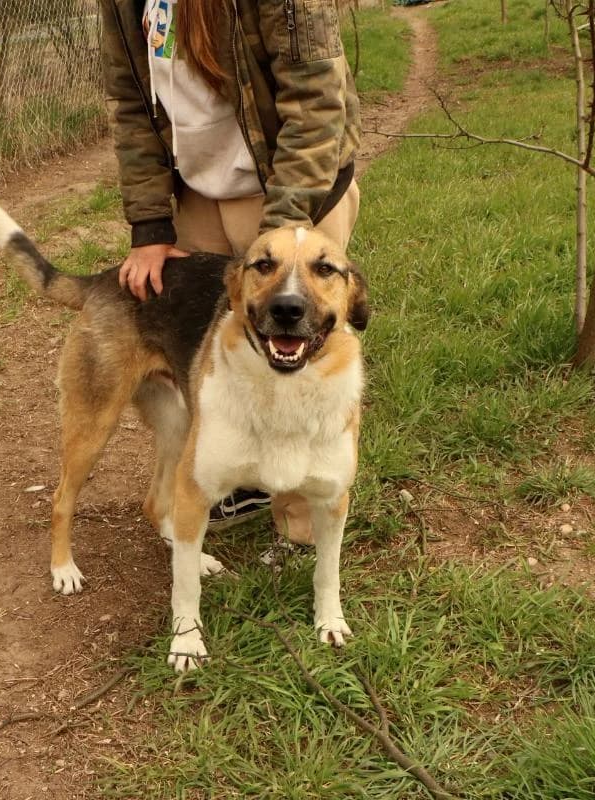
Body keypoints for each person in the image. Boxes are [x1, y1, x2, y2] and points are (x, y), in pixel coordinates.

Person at [100, 0, 361, 539]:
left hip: (291, 191)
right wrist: (150, 226)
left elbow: (315, 100)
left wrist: (281, 242)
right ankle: (237, 480)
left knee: (297, 347)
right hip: (201, 190)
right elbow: (131, 100)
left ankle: (298, 528)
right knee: (220, 356)